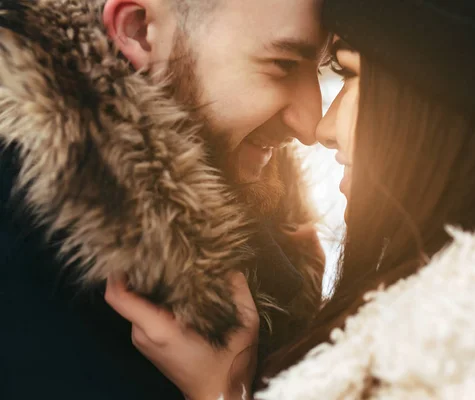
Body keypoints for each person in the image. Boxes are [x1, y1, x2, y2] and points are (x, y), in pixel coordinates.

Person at [106, 0, 475, 399]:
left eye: (350, 77)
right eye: (282, 64)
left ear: (448, 113)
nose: (319, 126)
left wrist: (219, 393)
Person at [0, 0, 328, 399]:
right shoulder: (29, 255)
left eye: (325, 67)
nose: (313, 125)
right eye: (283, 64)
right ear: (138, 30)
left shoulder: (273, 226)